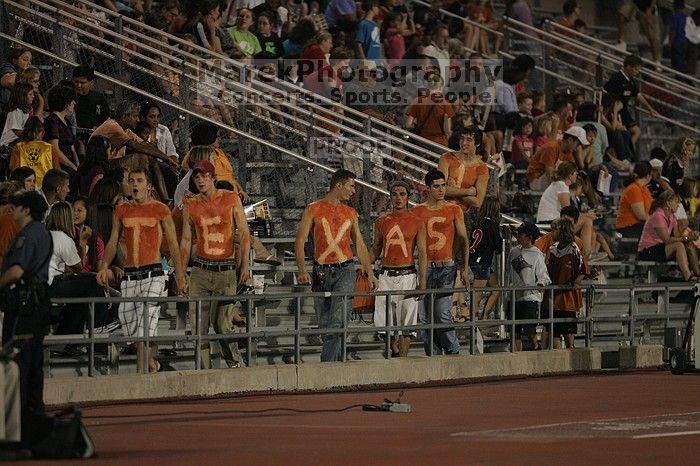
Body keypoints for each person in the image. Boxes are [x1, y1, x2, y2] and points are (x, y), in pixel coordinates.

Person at [97, 168, 186, 373]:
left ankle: (141, 374)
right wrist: (103, 267)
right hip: (130, 276)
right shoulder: (121, 211)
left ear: (149, 186)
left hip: (154, 274)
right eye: (131, 181)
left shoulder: (161, 209)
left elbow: (173, 244)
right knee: (131, 329)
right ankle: (152, 364)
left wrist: (180, 276)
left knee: (146, 323)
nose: (135, 185)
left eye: (139, 181)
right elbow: (112, 242)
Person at [295, 169, 377, 362]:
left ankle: (327, 367)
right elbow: (300, 241)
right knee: (326, 324)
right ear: (338, 185)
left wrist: (370, 272)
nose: (353, 191)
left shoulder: (350, 212)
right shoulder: (313, 209)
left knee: (338, 321)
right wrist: (302, 270)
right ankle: (339, 365)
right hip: (321, 270)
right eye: (351, 186)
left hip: (345, 270)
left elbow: (360, 243)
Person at [180, 160, 250, 369]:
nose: (200, 180)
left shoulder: (230, 198)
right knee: (198, 327)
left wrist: (244, 265)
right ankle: (205, 372)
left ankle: (235, 362)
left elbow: (244, 232)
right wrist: (181, 274)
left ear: (212, 178)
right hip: (201, 269)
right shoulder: (190, 204)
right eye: (196, 176)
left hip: (225, 268)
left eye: (204, 176)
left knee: (222, 324)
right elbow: (185, 240)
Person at [0, 191, 51, 418]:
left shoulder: (28, 235)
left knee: (16, 359)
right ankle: (33, 413)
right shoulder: (41, 232)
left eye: (17, 207)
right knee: (33, 360)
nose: (13, 211)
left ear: (26, 210)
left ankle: (18, 416)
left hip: (25, 303)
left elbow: (17, 270)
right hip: (37, 301)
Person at [412, 169, 469, 356]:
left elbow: (463, 239)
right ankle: (433, 353)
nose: (441, 189)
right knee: (425, 316)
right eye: (436, 186)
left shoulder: (454, 209)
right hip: (425, 267)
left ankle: (453, 350)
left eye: (443, 185)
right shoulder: (417, 211)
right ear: (428, 188)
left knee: (442, 313)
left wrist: (464, 268)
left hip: (446, 266)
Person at [369, 181, 427, 358]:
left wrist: (422, 281)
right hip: (385, 274)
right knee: (383, 322)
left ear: (408, 197)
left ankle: (402, 361)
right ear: (390, 197)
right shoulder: (382, 221)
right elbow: (376, 248)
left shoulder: (417, 222)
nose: (398, 197)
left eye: (402, 194)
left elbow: (423, 253)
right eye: (395, 194)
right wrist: (365, 268)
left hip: (407, 275)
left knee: (406, 324)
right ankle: (392, 350)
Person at [90, 100, 177, 202]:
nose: (137, 120)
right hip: (100, 164)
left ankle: (165, 199)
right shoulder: (113, 126)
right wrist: (166, 158)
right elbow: (137, 147)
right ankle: (143, 193)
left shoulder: (125, 129)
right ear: (124, 116)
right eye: (134, 116)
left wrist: (167, 160)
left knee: (152, 159)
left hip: (112, 163)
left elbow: (145, 145)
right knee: (142, 156)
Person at [542, 218, 587, 349]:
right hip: (554, 297)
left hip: (568, 299)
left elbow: (583, 269)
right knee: (554, 332)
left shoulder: (574, 248)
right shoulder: (553, 248)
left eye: (554, 229)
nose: (552, 232)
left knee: (568, 334)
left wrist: (575, 282)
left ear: (562, 230)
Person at [637, 191, 700, 281]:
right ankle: (687, 275)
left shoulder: (672, 216)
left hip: (662, 247)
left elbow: (677, 235)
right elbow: (667, 239)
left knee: (689, 245)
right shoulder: (658, 215)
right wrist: (684, 238)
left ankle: (697, 274)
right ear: (668, 203)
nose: (678, 205)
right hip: (648, 250)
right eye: (676, 202)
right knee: (679, 245)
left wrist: (689, 234)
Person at [508, 221, 550, 351]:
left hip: (529, 298)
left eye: (521, 234)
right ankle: (516, 356)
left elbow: (544, 275)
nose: (518, 236)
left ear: (529, 237)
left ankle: (535, 346)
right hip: (514, 297)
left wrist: (541, 283)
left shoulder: (537, 254)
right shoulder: (514, 251)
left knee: (530, 331)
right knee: (514, 331)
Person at [603, 55, 659, 147]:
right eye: (636, 69)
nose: (637, 72)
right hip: (615, 111)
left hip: (624, 111)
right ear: (628, 67)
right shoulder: (617, 77)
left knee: (637, 131)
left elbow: (637, 95)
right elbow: (605, 92)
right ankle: (622, 154)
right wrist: (612, 108)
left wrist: (650, 109)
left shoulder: (631, 80)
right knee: (622, 132)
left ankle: (626, 153)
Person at [467, 196, 503, 322]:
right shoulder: (492, 224)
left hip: (477, 260)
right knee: (477, 296)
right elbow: (498, 246)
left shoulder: (478, 221)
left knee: (496, 289)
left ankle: (484, 317)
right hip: (481, 262)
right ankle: (475, 329)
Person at [525, 126, 589, 191]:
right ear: (570, 140)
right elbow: (549, 175)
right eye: (577, 144)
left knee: (577, 180)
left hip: (550, 178)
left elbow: (572, 173)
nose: (577, 148)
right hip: (536, 179)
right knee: (566, 183)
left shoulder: (569, 152)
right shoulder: (551, 147)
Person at [9, 117, 60, 189]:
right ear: (42, 132)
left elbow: (14, 169)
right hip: (46, 187)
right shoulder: (50, 148)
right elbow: (57, 170)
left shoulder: (19, 147)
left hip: (25, 187)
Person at [405, 71, 454, 147]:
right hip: (439, 144)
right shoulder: (446, 104)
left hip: (421, 142)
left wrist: (418, 126)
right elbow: (447, 130)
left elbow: (408, 125)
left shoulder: (418, 100)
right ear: (441, 87)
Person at [43, 85, 80, 172]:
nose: (74, 103)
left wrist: (77, 164)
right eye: (72, 100)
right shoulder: (53, 121)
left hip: (70, 163)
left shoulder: (67, 120)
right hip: (60, 166)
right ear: (65, 102)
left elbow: (71, 146)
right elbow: (54, 149)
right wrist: (73, 167)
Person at [616, 161, 653, 238]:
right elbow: (641, 216)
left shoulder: (644, 189)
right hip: (628, 227)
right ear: (648, 175)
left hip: (638, 225)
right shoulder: (634, 189)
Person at [72, 64, 111, 131]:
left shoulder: (99, 98)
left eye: (82, 83)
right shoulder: (68, 96)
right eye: (76, 82)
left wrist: (99, 128)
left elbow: (107, 120)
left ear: (91, 82)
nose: (78, 85)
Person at [355, 0, 381, 65]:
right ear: (372, 7)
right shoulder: (363, 24)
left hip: (377, 60)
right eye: (377, 7)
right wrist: (364, 60)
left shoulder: (375, 24)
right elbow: (358, 44)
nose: (378, 9)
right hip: (368, 60)